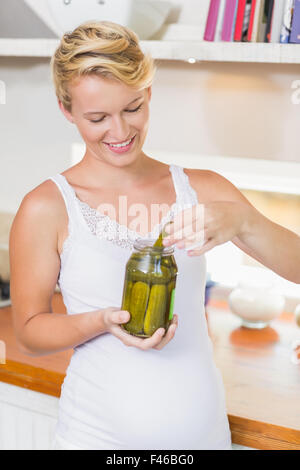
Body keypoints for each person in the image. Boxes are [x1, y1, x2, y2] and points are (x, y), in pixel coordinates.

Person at [9, 21, 300, 451]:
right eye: (97, 118)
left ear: (148, 94)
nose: (120, 131)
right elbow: (30, 332)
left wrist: (243, 221)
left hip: (204, 438)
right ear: (66, 110)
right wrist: (101, 321)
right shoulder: (47, 207)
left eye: (132, 108)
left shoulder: (201, 188)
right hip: (94, 438)